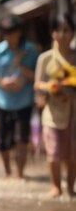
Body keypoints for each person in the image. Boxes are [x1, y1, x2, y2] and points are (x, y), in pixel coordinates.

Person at [0, 14, 38, 178]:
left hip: (24, 100)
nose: (9, 36)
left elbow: (38, 75)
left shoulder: (31, 51)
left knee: (22, 137)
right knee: (3, 138)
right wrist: (0, 83)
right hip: (2, 100)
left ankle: (20, 174)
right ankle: (7, 172)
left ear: (19, 32)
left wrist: (20, 66)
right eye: (6, 33)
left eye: (12, 32)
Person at [34, 13, 76, 198]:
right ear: (53, 34)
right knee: (54, 152)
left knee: (73, 152)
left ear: (73, 33)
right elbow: (37, 84)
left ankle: (71, 187)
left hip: (74, 110)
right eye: (58, 30)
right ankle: (55, 186)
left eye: (66, 30)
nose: (62, 34)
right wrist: (51, 87)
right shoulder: (45, 58)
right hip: (53, 111)